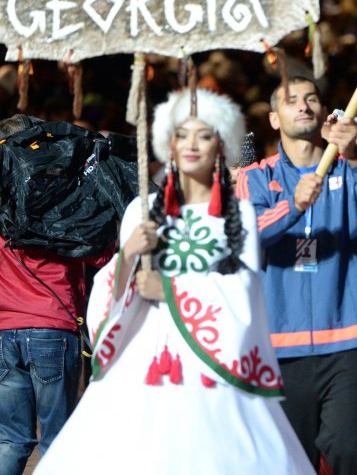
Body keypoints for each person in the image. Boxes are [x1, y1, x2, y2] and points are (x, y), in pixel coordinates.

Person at [34, 88, 313, 474]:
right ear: (169, 145)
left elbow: (244, 293)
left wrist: (168, 289)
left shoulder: (240, 215)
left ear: (221, 146)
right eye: (182, 135)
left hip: (213, 366)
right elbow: (111, 295)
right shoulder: (141, 210)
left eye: (204, 135)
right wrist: (128, 256)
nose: (192, 145)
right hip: (145, 358)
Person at [236, 75, 357, 472]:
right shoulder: (256, 177)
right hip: (281, 344)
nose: (303, 105)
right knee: (290, 461)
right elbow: (245, 234)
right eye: (291, 100)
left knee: (352, 453)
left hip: (348, 337)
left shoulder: (351, 165)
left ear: (323, 111)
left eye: (311, 98)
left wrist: (354, 155)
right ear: (274, 118)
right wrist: (291, 207)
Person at [0, 115, 119, 475]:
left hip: (4, 333)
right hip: (52, 330)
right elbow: (101, 255)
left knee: (11, 441)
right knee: (60, 440)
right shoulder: (59, 200)